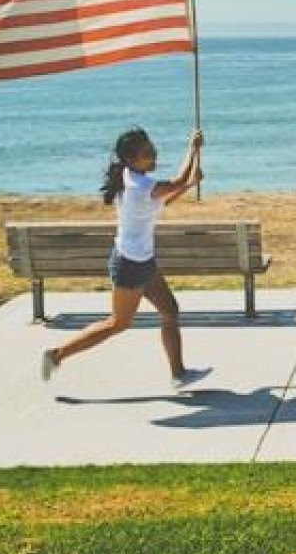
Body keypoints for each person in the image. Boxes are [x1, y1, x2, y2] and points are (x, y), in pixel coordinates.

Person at [40, 126, 211, 389]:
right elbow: (177, 181)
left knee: (170, 311)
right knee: (117, 323)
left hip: (143, 261)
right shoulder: (139, 184)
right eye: (147, 153)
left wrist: (189, 182)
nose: (153, 156)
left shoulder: (132, 177)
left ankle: (178, 374)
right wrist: (193, 149)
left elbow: (164, 200)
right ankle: (56, 354)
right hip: (130, 265)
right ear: (131, 160)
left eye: (152, 150)